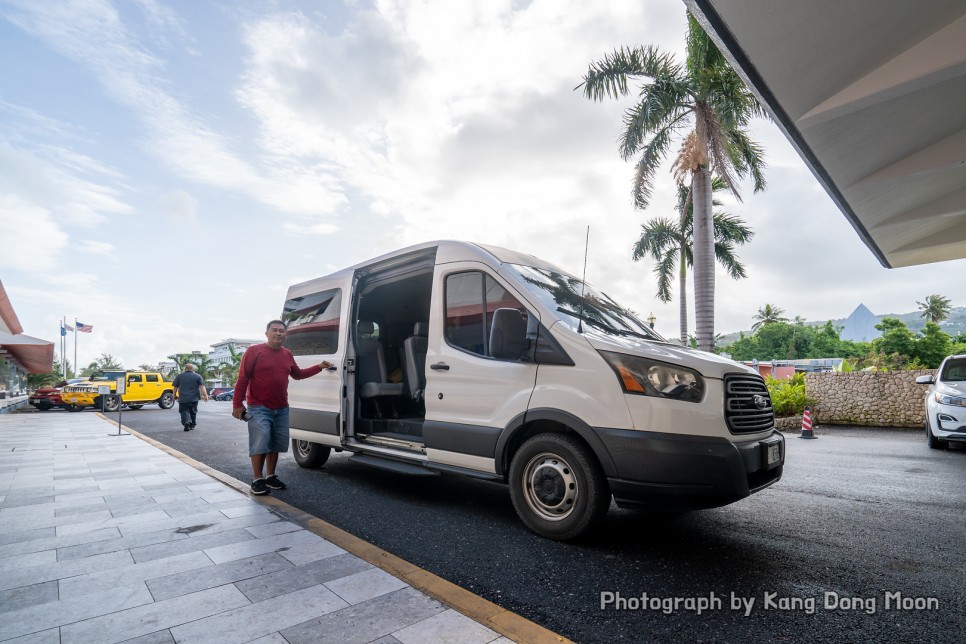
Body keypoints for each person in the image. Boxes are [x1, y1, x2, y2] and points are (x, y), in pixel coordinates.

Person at [233, 320, 334, 495]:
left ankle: (270, 476)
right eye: (275, 330)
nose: (278, 333)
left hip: (281, 407)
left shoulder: (287, 354)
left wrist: (318, 367)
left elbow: (298, 374)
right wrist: (237, 404)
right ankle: (257, 479)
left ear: (286, 335)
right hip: (258, 406)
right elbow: (243, 378)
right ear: (267, 333)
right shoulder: (254, 351)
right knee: (261, 442)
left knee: (276, 443)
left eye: (282, 331)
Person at [172, 364, 208, 432]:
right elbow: (201, 387)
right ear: (193, 369)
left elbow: (175, 387)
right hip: (194, 398)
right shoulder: (198, 376)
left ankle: (186, 422)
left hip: (183, 398)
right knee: (193, 411)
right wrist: (205, 395)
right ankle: (192, 425)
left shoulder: (179, 376)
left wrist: (174, 395)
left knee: (183, 411)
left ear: (185, 369)